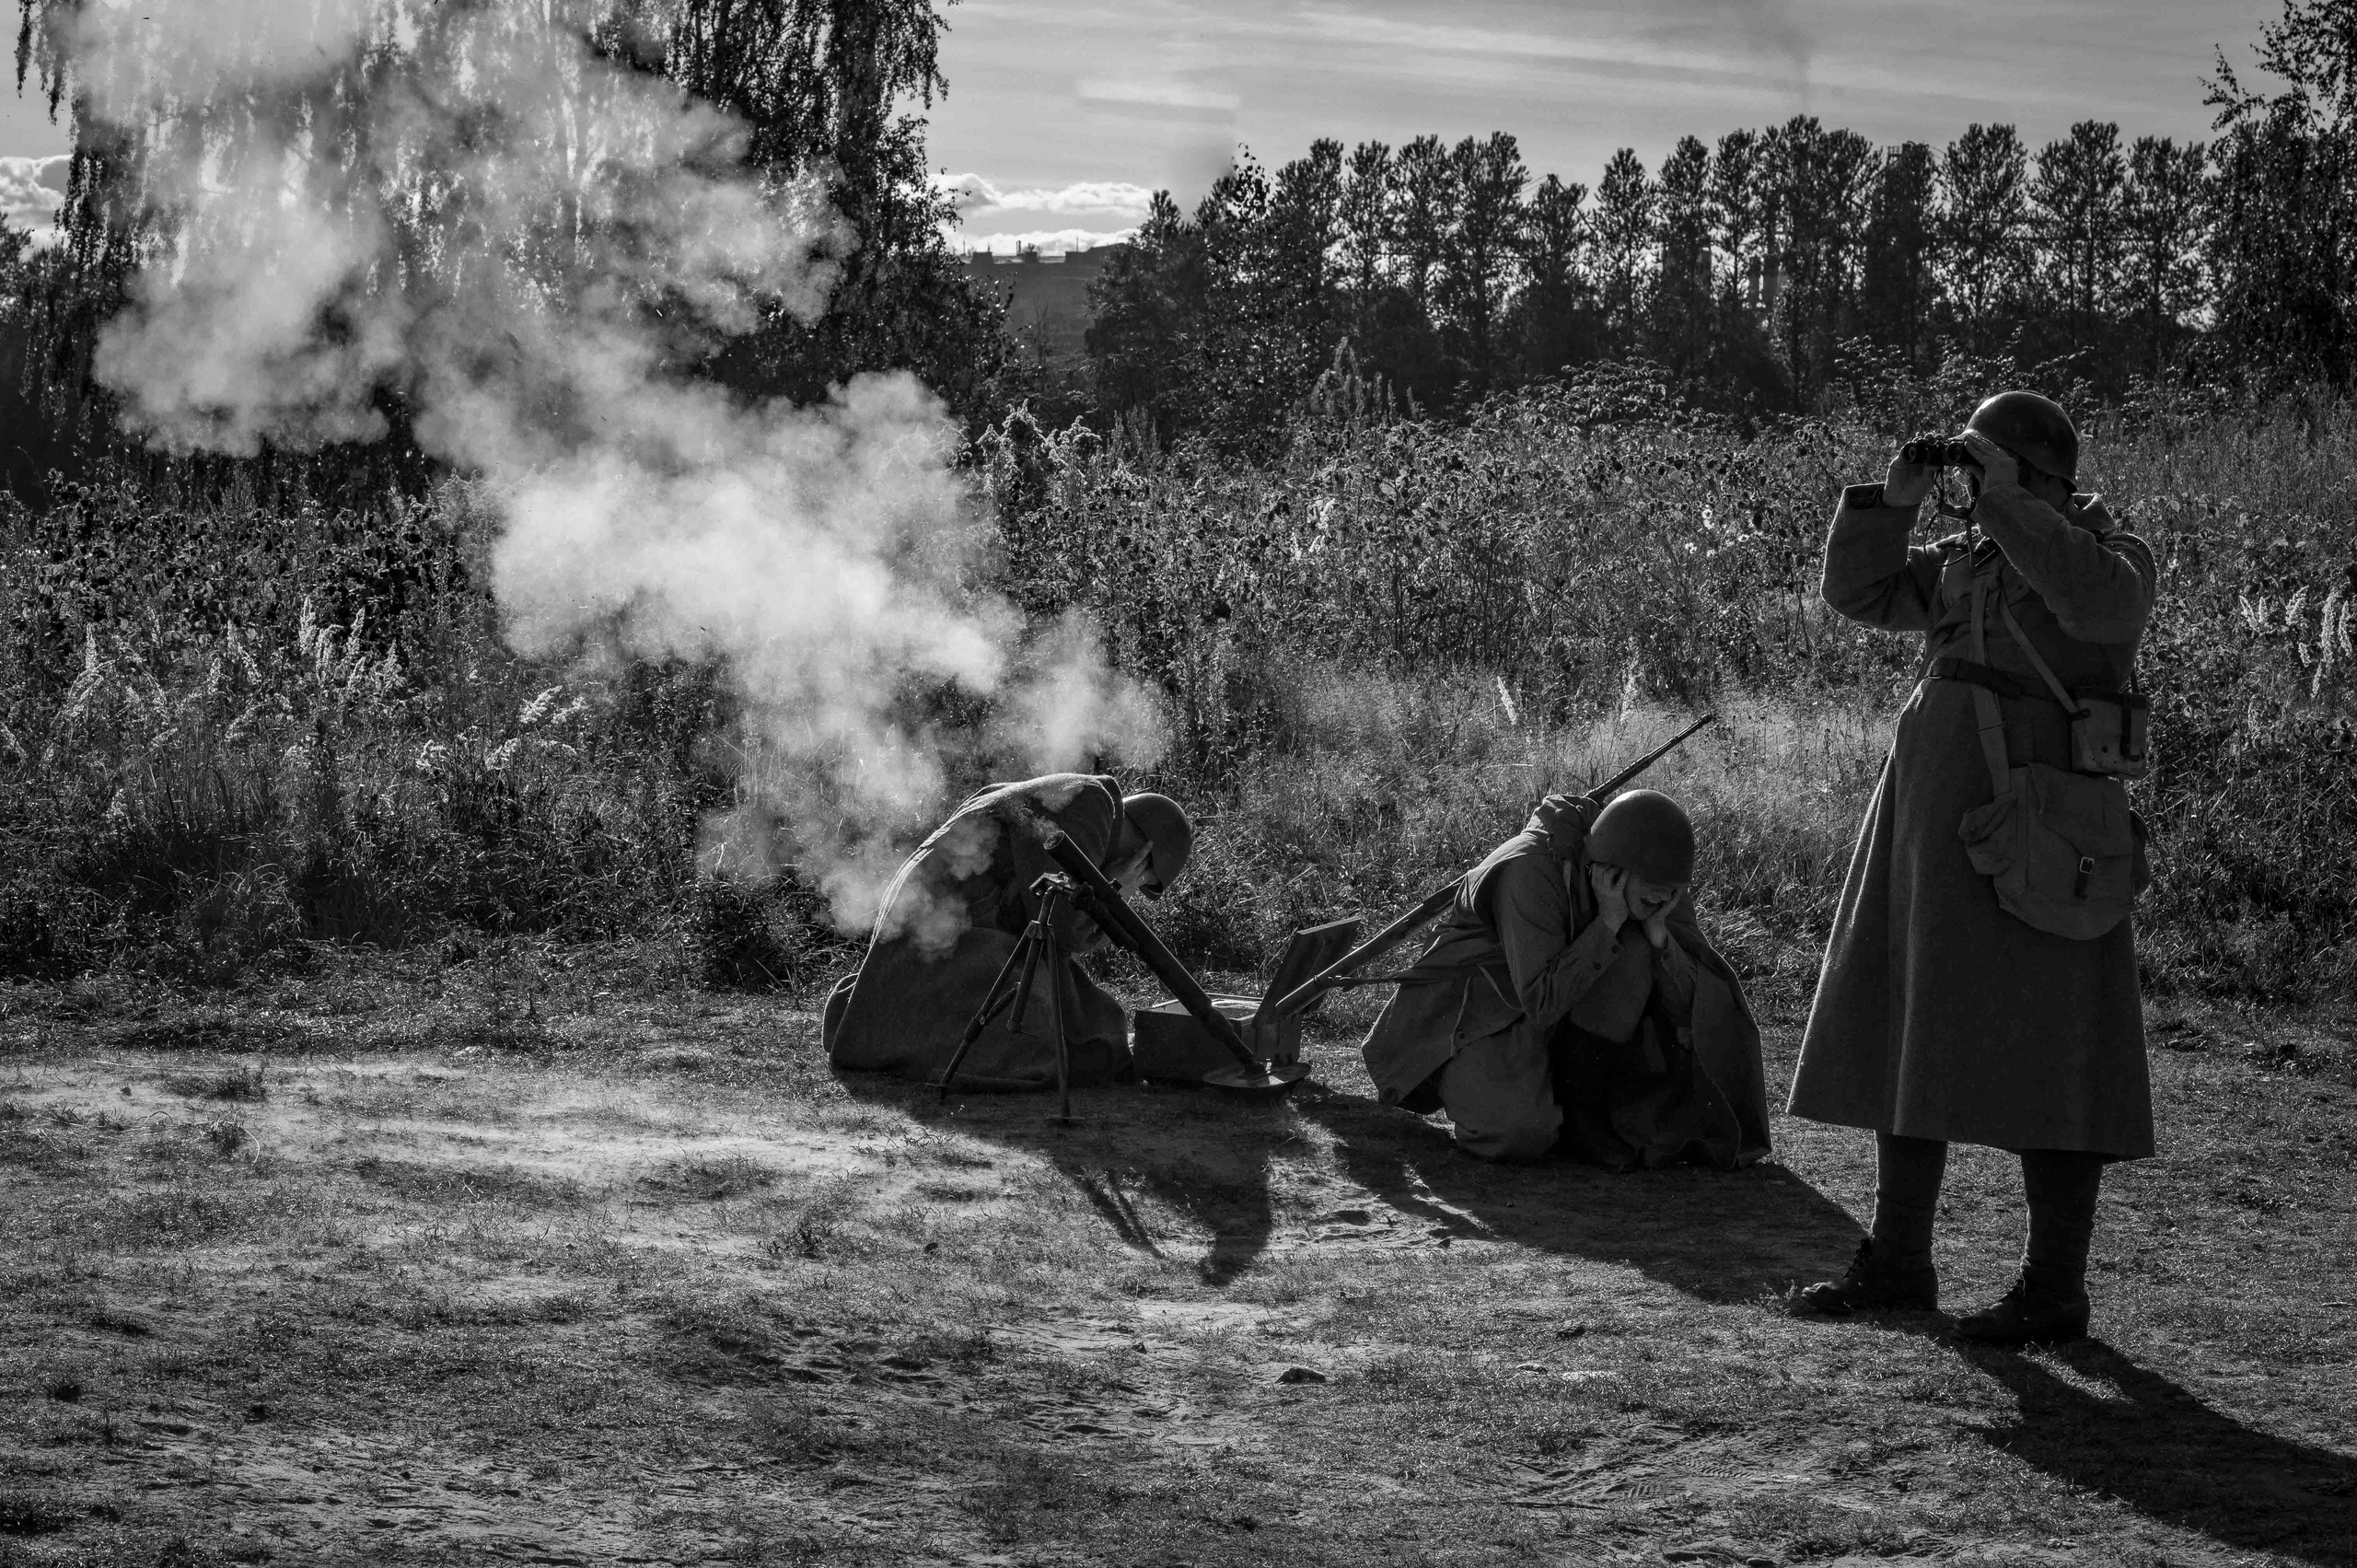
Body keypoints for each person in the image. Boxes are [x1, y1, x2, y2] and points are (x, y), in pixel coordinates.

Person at [1791, 390, 2157, 1344]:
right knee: (1912, 1022)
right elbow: (1860, 594)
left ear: (2040, 479)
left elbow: (2092, 603)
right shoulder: (1971, 559)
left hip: (2049, 831)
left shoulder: (2107, 554)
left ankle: (2052, 1287)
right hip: (1933, 823)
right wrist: (1894, 496)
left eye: (1989, 465)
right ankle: (1900, 1260)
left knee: (2061, 1044)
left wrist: (2003, 501)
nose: (1972, 484)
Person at [1360, 788, 1771, 1168]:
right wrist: (1608, 922)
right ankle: (1466, 1084)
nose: (1664, 898)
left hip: (1557, 1016)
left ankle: (1582, 1118)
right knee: (1519, 1134)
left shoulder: (1657, 878)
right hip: (1477, 1015)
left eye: (1673, 890)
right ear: (1613, 869)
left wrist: (1661, 937)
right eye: (1655, 888)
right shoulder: (1530, 871)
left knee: (1638, 950)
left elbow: (1693, 1003)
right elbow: (1540, 1001)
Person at [823, 773, 1193, 1091]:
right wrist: (1115, 892)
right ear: (1144, 852)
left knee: (1098, 1019)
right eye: (1146, 875)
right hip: (943, 929)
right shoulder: (1093, 804)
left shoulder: (1081, 799)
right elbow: (1064, 928)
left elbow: (1051, 926)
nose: (1139, 881)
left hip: (942, 923)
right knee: (1051, 1038)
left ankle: (875, 1017)